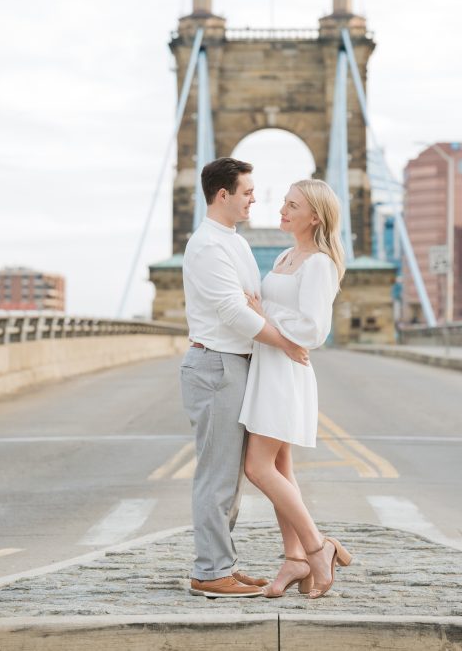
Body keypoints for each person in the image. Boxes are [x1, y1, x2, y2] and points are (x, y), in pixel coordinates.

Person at [180, 157, 310, 599]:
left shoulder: (232, 241)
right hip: (216, 363)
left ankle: (222, 565)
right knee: (217, 476)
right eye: (248, 191)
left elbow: (251, 301)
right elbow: (235, 312)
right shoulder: (208, 246)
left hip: (234, 362)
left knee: (230, 476)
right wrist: (286, 343)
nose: (255, 197)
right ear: (224, 195)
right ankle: (210, 571)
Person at [238, 179, 352, 599]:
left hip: (286, 370)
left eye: (292, 206)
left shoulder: (319, 263)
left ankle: (318, 547)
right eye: (284, 203)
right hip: (269, 365)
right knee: (282, 468)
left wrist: (264, 314)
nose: (281, 211)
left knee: (258, 467)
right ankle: (295, 558)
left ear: (314, 217)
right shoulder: (287, 255)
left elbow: (314, 329)